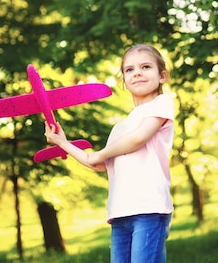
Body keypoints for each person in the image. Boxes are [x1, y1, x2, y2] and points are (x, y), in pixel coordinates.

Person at [44, 44, 175, 263]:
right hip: (120, 214)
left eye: (145, 67)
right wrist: (61, 141)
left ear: (162, 76)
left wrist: (100, 153)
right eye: (129, 70)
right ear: (124, 80)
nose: (138, 73)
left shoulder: (161, 104)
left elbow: (138, 138)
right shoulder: (119, 129)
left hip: (149, 209)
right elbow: (95, 161)